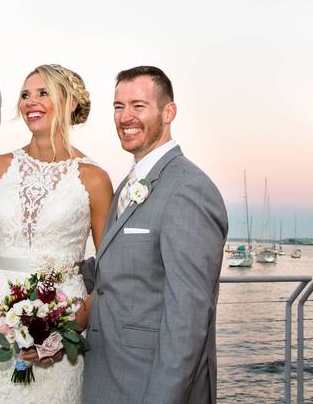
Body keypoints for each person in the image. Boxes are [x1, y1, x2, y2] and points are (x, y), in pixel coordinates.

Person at [0, 65, 113, 404]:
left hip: (63, 328)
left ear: (70, 102)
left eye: (43, 93)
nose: (31, 101)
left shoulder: (94, 179)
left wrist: (70, 328)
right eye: (26, 95)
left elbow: (110, 269)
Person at [82, 66, 228, 404]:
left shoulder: (189, 190)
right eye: (118, 107)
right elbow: (124, 267)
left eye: (138, 105)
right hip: (109, 376)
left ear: (168, 112)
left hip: (148, 385)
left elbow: (188, 322)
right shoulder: (129, 185)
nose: (125, 117)